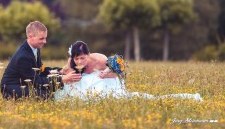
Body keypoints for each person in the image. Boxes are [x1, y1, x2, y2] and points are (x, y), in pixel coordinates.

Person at [55, 41, 203, 102]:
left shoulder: (100, 60)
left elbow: (118, 73)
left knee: (99, 83)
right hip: (87, 84)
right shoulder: (72, 62)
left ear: (88, 55)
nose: (79, 62)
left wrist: (106, 74)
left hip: (106, 82)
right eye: (77, 59)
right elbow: (64, 72)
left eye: (82, 58)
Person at [0, 21, 81, 99]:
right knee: (47, 95)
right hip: (11, 88)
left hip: (27, 82)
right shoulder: (23, 57)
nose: (45, 41)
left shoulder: (35, 48)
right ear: (30, 36)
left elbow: (41, 70)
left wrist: (60, 71)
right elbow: (36, 81)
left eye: (45, 38)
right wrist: (63, 79)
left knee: (57, 87)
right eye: (41, 39)